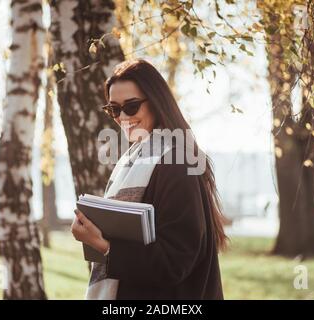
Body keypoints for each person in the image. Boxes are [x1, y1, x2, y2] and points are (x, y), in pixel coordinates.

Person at [71, 58, 227, 300]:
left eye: (131, 106)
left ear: (156, 102)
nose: (122, 116)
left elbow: (175, 262)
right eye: (113, 109)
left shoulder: (177, 163)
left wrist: (104, 246)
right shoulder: (133, 160)